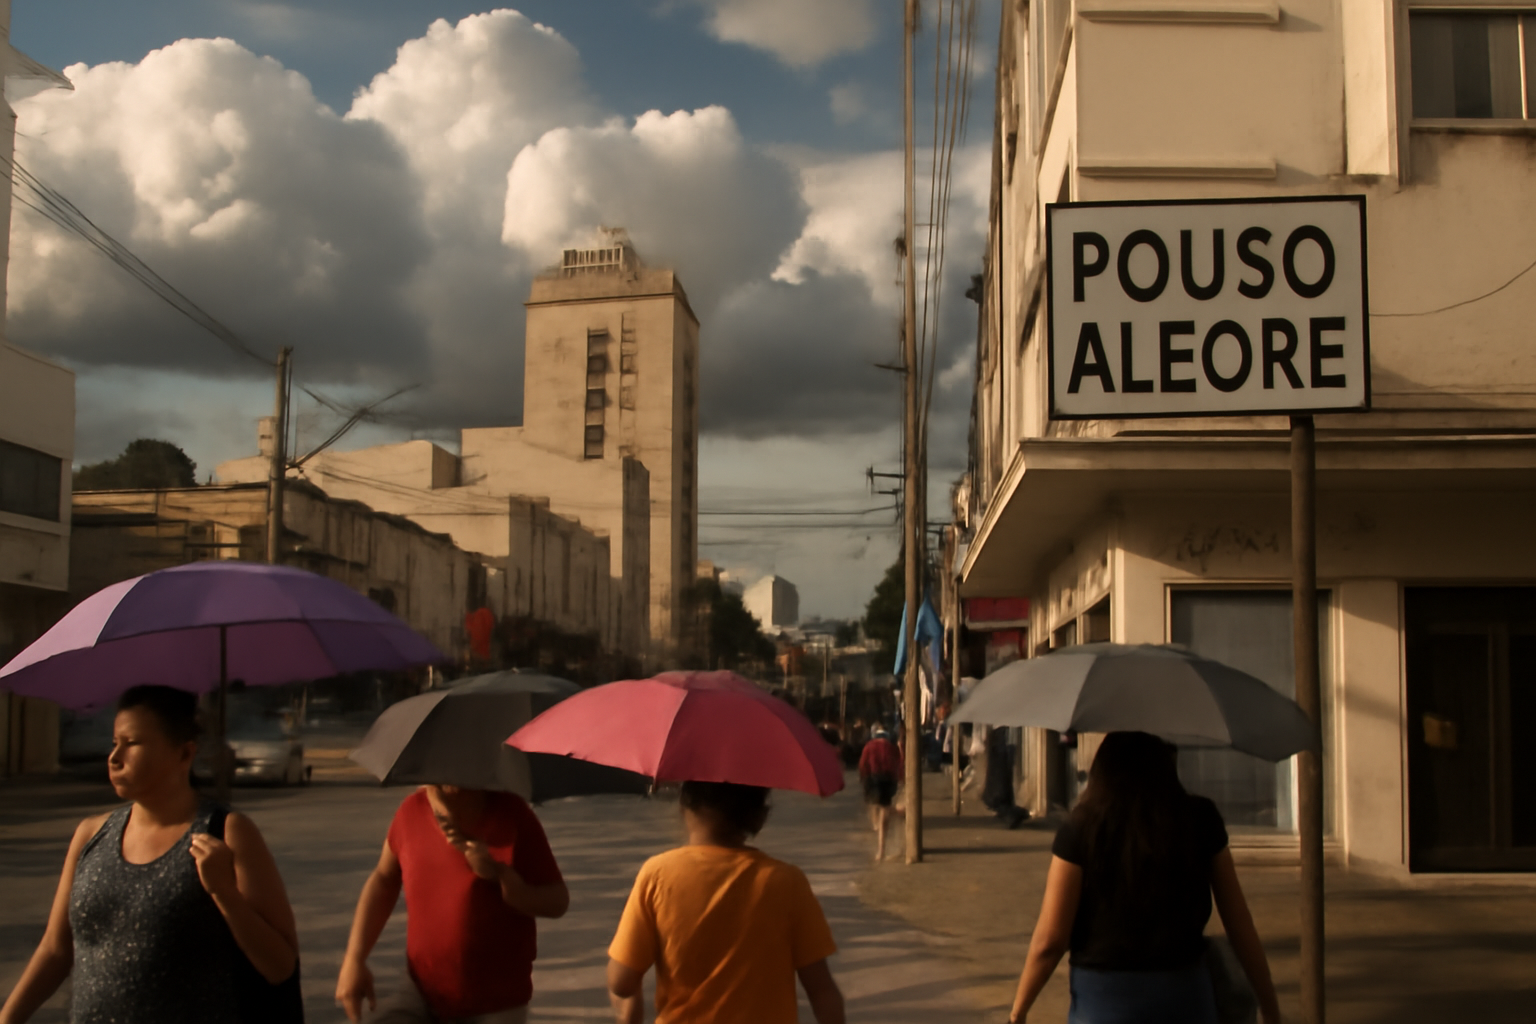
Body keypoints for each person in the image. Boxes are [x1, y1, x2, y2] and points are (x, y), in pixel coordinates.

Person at [0, 685, 299, 1024]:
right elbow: (55, 950)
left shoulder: (227, 833)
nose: (114, 758)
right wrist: (8, 1017)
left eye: (132, 743)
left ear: (185, 754)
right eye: (114, 743)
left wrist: (225, 895)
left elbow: (280, 966)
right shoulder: (91, 834)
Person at [1007, 731, 1281, 1024]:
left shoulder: (1081, 828)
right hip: (1185, 997)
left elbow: (1050, 941)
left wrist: (1018, 1011)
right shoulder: (1200, 819)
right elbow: (1240, 927)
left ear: (1101, 772)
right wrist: (1270, 1009)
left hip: (1104, 1001)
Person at [606, 781, 845, 1024]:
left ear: (684, 805)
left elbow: (622, 982)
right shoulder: (786, 881)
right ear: (759, 816)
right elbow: (822, 991)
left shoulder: (658, 875)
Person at [336, 784, 569, 1024]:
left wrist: (501, 876)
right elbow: (383, 880)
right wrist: (354, 959)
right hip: (422, 991)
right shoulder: (411, 812)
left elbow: (558, 901)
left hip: (496, 1005)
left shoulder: (511, 813)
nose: (450, 782)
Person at [857, 727, 904, 861]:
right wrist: (899, 779)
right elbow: (898, 764)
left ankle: (877, 824)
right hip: (889, 780)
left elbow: (863, 765)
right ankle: (881, 849)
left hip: (873, 779)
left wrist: (862, 777)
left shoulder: (869, 746)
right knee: (885, 809)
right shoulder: (892, 747)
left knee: (873, 803)